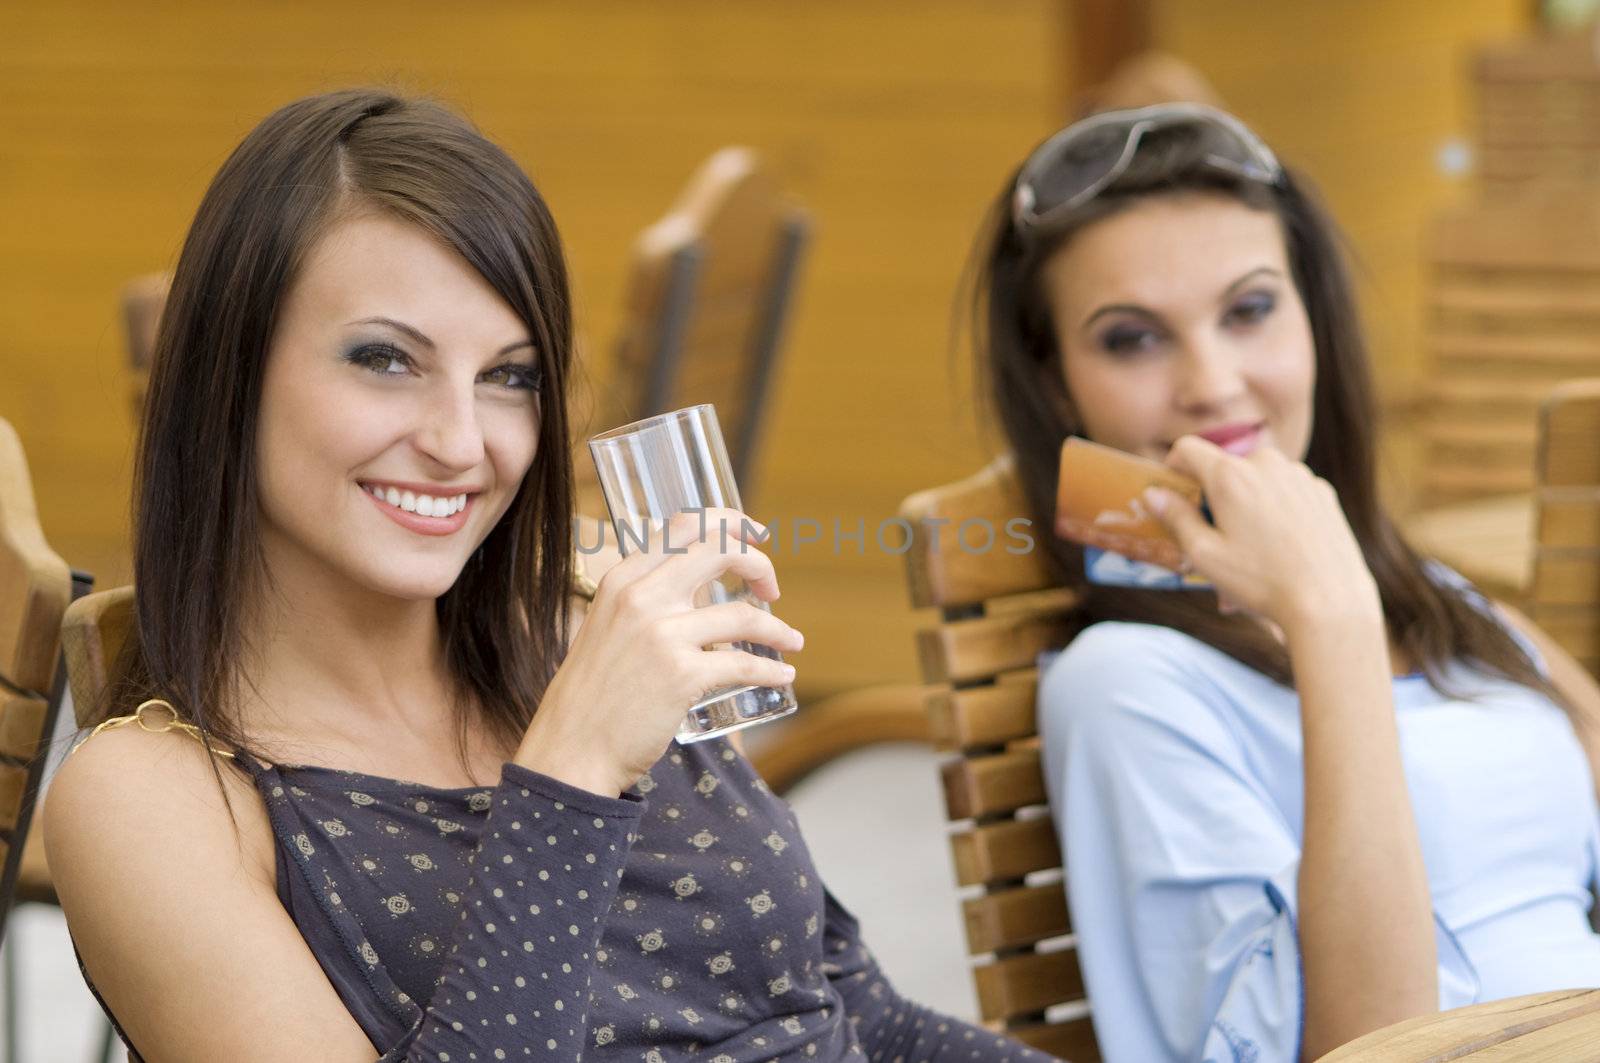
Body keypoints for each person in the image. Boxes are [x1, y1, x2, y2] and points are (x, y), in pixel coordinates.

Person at [45, 88, 1048, 1063]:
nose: (460, 442)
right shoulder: (153, 800)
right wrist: (569, 771)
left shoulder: (583, 626)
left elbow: (855, 1012)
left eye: (510, 376)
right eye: (385, 359)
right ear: (232, 371)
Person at [968, 102, 1600, 1062]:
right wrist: (1329, 618)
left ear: (1314, 321)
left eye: (1251, 309)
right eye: (1132, 338)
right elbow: (1376, 1045)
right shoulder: (1129, 682)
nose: (1214, 382)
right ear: (1057, 387)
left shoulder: (1434, 600)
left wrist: (1347, 592)